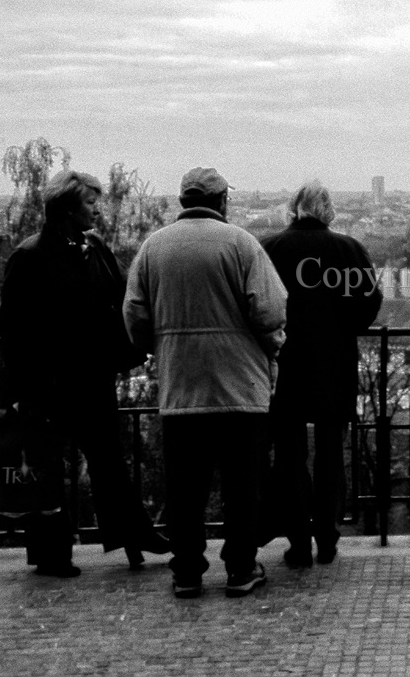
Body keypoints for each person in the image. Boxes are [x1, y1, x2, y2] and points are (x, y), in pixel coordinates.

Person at [123, 167, 287, 598]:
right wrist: (272, 346)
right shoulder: (241, 244)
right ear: (221, 202)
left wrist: (159, 347)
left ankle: (188, 572)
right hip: (239, 385)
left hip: (181, 385)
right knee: (242, 484)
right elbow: (269, 311)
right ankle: (239, 568)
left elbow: (135, 314)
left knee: (185, 487)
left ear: (183, 200)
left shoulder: (153, 247)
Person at [0, 170, 168, 577]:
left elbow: (121, 297)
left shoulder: (87, 248)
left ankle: (126, 536)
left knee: (105, 461)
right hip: (51, 383)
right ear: (68, 208)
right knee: (53, 466)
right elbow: (15, 329)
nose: (97, 208)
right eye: (90, 202)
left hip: (88, 377)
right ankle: (60, 552)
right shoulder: (32, 256)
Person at [261, 180, 382, 567]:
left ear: (294, 208)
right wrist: (345, 327)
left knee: (290, 457)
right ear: (328, 211)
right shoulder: (348, 248)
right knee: (331, 454)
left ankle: (298, 543)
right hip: (334, 362)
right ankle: (327, 538)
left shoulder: (270, 249)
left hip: (286, 365)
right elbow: (370, 302)